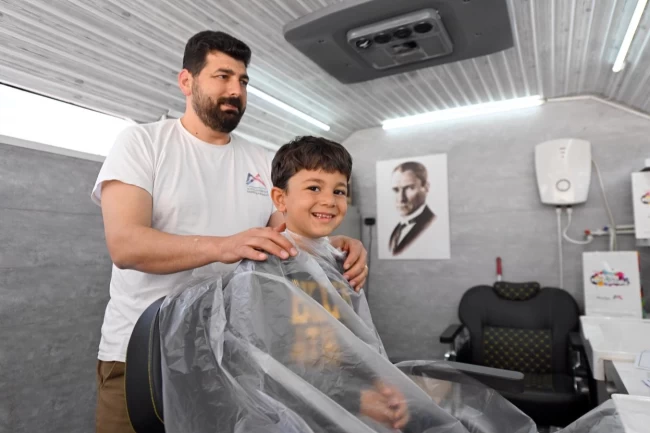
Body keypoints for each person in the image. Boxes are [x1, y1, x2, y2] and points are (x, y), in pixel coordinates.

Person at [91, 30, 368, 433]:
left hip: (230, 355)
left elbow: (286, 240)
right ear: (186, 81)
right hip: (143, 352)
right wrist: (225, 246)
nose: (235, 90)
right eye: (222, 76)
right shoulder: (142, 143)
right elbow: (126, 245)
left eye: (243, 80)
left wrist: (334, 246)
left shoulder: (259, 159)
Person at [388, 161, 435, 256]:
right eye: (396, 190)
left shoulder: (432, 223)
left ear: (426, 187)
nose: (401, 198)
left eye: (409, 188)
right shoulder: (398, 228)